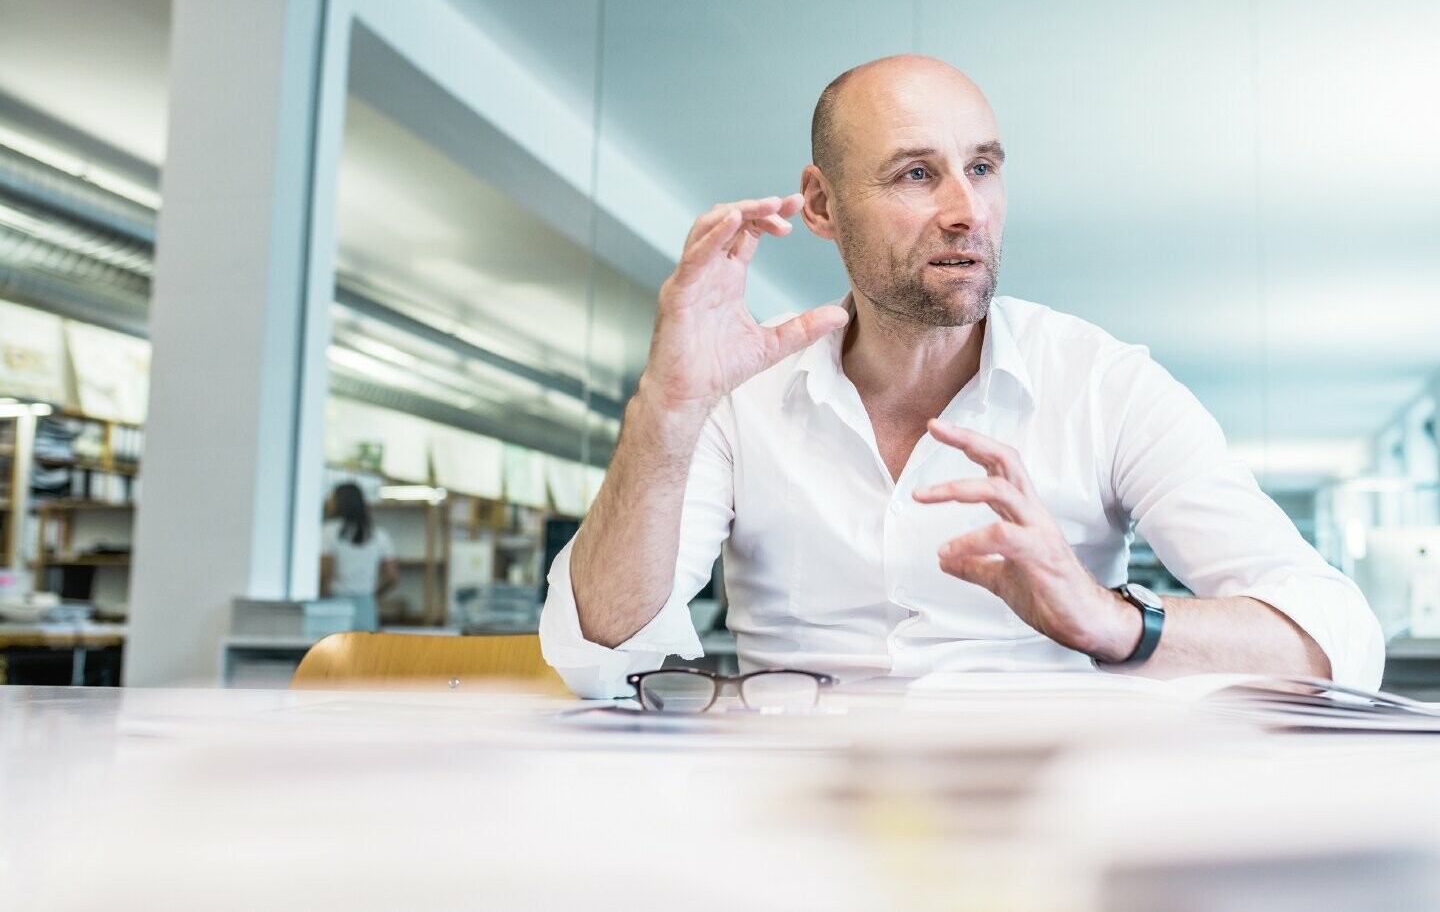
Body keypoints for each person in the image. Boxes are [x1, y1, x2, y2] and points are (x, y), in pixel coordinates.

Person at [540, 55, 1384, 698]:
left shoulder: (1104, 384)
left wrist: (1111, 619)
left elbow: (1340, 635)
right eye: (917, 173)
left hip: (1048, 818)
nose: (966, 209)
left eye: (981, 167)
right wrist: (669, 408)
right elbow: (597, 653)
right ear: (822, 205)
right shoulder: (741, 399)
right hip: (798, 816)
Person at [320, 482, 398, 631]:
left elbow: (326, 574)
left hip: (336, 606)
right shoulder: (379, 534)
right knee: (364, 652)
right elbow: (392, 577)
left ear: (340, 502)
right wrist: (373, 595)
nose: (328, 502)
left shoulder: (329, 532)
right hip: (366, 607)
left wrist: (321, 599)